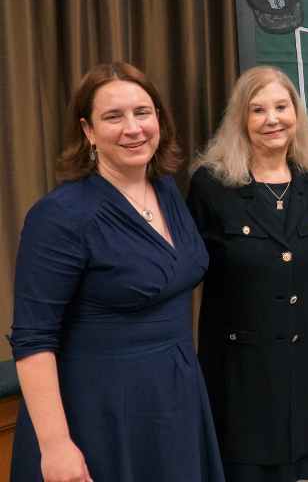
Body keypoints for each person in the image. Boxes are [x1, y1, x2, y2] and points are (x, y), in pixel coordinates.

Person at [8, 63, 224, 482]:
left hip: (174, 396)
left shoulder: (163, 187)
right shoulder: (59, 216)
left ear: (159, 119)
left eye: (143, 112)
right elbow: (33, 339)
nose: (133, 128)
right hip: (99, 410)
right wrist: (55, 446)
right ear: (87, 130)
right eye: (113, 116)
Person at [186, 66, 308, 482]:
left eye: (281, 106)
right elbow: (185, 274)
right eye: (258, 110)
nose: (272, 119)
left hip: (303, 361)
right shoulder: (211, 185)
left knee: (297, 466)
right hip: (240, 368)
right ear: (241, 119)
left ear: (297, 113)